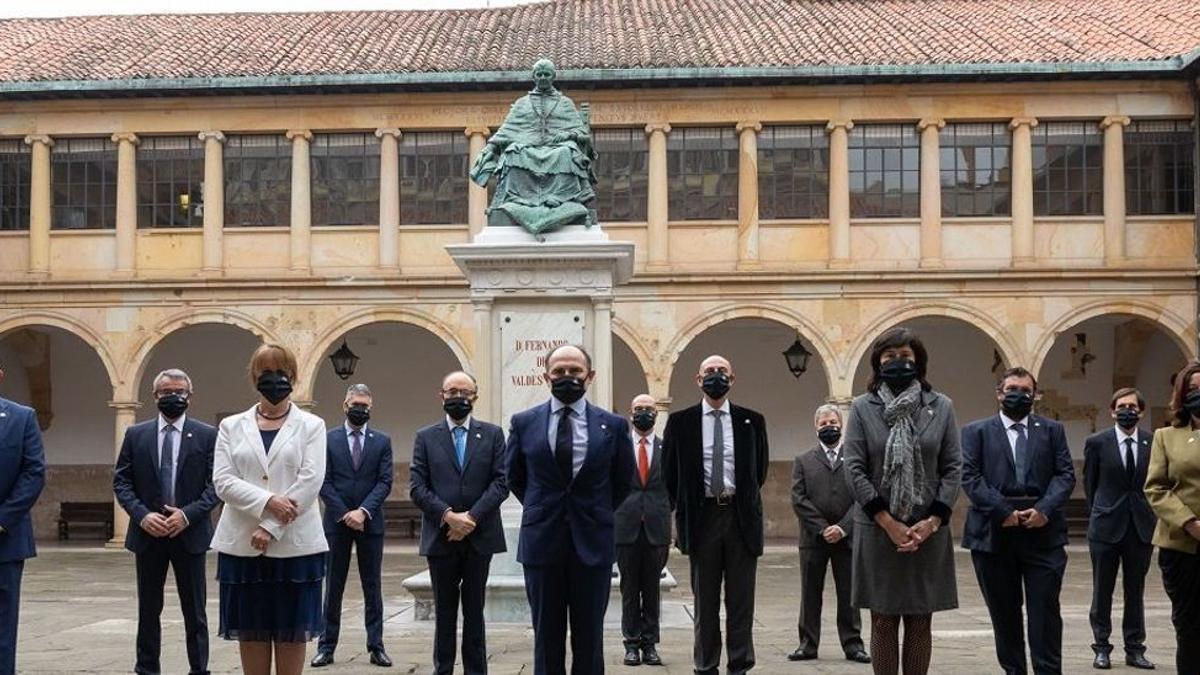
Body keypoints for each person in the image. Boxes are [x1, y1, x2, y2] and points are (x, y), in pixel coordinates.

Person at [506, 344, 634, 675]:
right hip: (541, 542)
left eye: (575, 371)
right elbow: (515, 478)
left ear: (590, 376)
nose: (567, 377)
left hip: (593, 543)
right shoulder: (524, 423)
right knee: (545, 637)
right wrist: (546, 509)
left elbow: (622, 482)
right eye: (559, 371)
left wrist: (594, 512)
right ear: (546, 375)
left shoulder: (614, 425)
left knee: (590, 637)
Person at [842, 327, 960, 675]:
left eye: (906, 357)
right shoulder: (863, 408)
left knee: (921, 621)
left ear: (918, 362)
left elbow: (953, 468)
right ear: (877, 362)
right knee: (882, 621)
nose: (898, 363)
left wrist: (932, 521)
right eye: (890, 357)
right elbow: (855, 469)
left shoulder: (941, 406)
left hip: (928, 531)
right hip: (879, 530)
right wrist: (889, 523)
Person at [211, 344, 327, 675]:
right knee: (252, 632)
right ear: (254, 377)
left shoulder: (312, 426)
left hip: (295, 548)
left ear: (293, 376)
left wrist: (271, 526)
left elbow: (310, 480)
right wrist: (267, 502)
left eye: (282, 372)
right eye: (266, 373)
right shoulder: (231, 426)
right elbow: (223, 481)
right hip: (243, 547)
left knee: (292, 633)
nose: (275, 379)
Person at [962, 366, 1075, 675]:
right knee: (1004, 614)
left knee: (1045, 613)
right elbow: (971, 478)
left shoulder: (1052, 430)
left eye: (1026, 390)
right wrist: (1004, 512)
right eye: (1012, 389)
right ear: (999, 393)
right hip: (994, 535)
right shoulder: (976, 432)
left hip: (1043, 532)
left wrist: (1044, 509)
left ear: (1035, 395)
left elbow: (1065, 475)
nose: (1019, 395)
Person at [663, 354, 768, 675]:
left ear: (732, 379)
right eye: (709, 372)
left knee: (741, 601)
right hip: (702, 518)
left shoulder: (752, 421)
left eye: (722, 371)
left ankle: (740, 664)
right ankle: (706, 664)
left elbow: (759, 470)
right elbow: (669, 473)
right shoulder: (681, 422)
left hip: (740, 518)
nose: (716, 376)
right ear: (698, 380)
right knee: (705, 601)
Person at [113, 368, 219, 675]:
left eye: (179, 392)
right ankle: (147, 669)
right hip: (149, 535)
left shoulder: (206, 435)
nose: (173, 397)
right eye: (166, 392)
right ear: (155, 396)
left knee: (195, 611)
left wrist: (187, 515)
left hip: (189, 534)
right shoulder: (136, 434)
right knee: (148, 610)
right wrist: (142, 515)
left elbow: (215, 487)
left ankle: (199, 668)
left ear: (189, 395)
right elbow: (122, 481)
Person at [410, 371, 508, 675]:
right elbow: (417, 486)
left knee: (475, 611)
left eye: (465, 392)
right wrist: (449, 516)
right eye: (452, 391)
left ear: (475, 397)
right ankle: (443, 670)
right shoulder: (426, 437)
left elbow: (501, 482)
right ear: (441, 395)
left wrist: (471, 518)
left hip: (480, 535)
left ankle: (476, 671)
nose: (458, 397)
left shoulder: (492, 434)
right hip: (441, 537)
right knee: (445, 611)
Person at [311, 384, 394, 668]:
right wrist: (345, 513)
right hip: (337, 523)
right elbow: (323, 480)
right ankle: (326, 646)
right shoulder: (328, 439)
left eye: (365, 406)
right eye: (356, 404)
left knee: (373, 586)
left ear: (371, 408)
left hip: (370, 523)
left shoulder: (382, 441)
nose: (360, 409)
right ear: (345, 405)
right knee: (333, 586)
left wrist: (363, 511)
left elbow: (385, 482)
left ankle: (376, 646)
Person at [468, 58, 597, 235]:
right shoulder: (522, 103)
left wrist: (568, 135)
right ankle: (519, 201)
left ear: (553, 77)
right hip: (527, 148)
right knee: (513, 153)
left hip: (557, 148)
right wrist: (489, 149)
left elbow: (582, 134)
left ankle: (559, 198)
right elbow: (507, 129)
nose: (543, 77)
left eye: (547, 74)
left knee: (567, 152)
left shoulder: (565, 103)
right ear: (534, 77)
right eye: (539, 74)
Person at [1082, 387, 1156, 670]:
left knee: (1135, 591)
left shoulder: (1152, 442)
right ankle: (1101, 647)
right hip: (1106, 527)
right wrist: (1099, 513)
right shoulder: (1097, 442)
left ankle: (1135, 648)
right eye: (1122, 406)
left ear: (1141, 411)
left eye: (1133, 407)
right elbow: (1090, 483)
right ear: (1112, 411)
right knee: (1102, 590)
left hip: (1140, 527)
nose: (1128, 411)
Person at [789, 404, 869, 664]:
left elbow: (862, 497)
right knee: (810, 593)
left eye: (833, 422)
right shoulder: (803, 460)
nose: (829, 427)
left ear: (841, 424)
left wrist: (844, 527)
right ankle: (807, 644)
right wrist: (823, 528)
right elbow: (798, 499)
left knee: (849, 594)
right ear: (816, 427)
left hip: (847, 538)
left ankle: (853, 644)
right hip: (813, 540)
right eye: (824, 424)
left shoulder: (855, 459)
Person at [1145, 361, 1200, 675]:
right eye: (1192, 389)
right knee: (1189, 628)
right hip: (1181, 546)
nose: (1198, 394)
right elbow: (1155, 487)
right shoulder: (1166, 436)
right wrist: (1190, 523)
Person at [615, 394, 670, 667]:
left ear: (656, 414)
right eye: (638, 409)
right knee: (628, 589)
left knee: (652, 590)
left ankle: (650, 644)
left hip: (656, 529)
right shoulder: (620, 449)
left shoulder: (666, 449)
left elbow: (673, 489)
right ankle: (631, 644)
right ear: (630, 413)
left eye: (648, 409)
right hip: (625, 528)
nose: (643, 414)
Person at [0, 361, 45, 675]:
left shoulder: (21, 417)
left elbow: (33, 472)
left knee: (3, 624)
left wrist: (2, 519)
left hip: (5, 538)